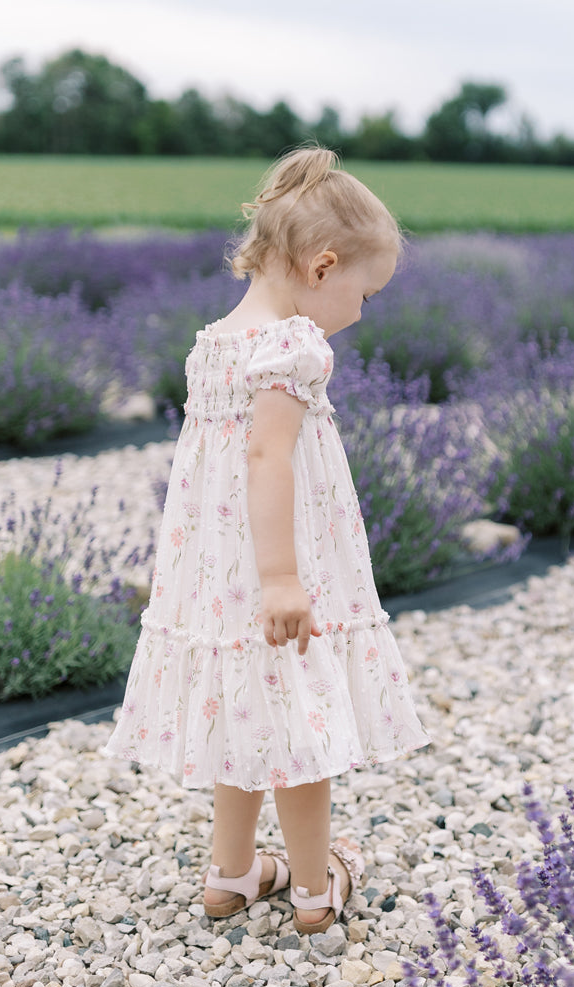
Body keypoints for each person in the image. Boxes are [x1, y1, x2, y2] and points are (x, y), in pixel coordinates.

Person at [104, 146, 430, 934]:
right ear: (322, 267)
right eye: (365, 291)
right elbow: (267, 456)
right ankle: (317, 889)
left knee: (242, 709)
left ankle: (233, 873)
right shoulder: (292, 346)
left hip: (216, 572)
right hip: (276, 561)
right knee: (301, 720)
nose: (363, 308)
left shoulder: (215, 341)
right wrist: (283, 578)